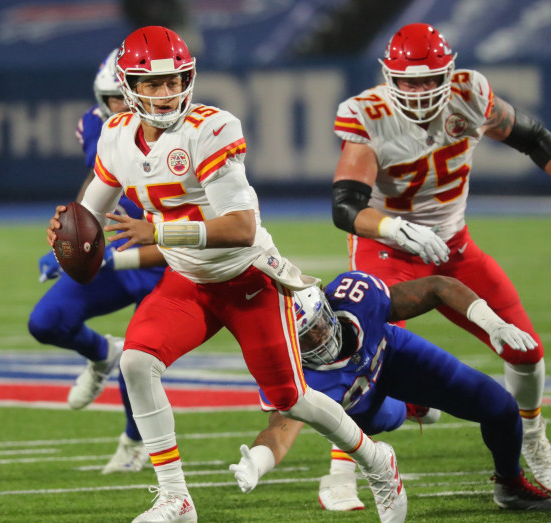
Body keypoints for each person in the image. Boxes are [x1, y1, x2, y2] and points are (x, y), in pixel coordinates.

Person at [47, 26, 407, 523]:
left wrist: (159, 231)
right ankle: (177, 498)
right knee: (135, 364)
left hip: (248, 281)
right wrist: (71, 237)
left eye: (174, 81)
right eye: (152, 84)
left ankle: (377, 460)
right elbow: (91, 217)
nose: (165, 92)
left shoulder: (210, 127)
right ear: (129, 87)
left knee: (292, 399)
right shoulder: (115, 136)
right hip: (189, 284)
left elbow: (241, 228)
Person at [330, 22, 551, 493]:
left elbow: (532, 135)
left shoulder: (470, 94)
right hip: (390, 246)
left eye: (428, 79)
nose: (419, 92)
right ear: (388, 77)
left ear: (450, 72)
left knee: (525, 347)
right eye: (408, 81)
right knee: (363, 349)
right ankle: (344, 470)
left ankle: (533, 434)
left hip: (455, 247)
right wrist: (398, 227)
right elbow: (346, 206)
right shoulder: (368, 113)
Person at [230, 271, 551, 512]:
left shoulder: (357, 299)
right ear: (287, 343)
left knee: (500, 406)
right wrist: (256, 463)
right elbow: (280, 431)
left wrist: (491, 322)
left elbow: (437, 287)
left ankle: (509, 487)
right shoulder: (291, 374)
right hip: (362, 409)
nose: (318, 338)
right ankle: (409, 407)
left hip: (395, 356)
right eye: (304, 338)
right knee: (388, 417)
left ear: (327, 308)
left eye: (317, 326)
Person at [29, 48, 165, 474]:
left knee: (138, 360)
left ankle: (134, 441)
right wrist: (74, 237)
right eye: (115, 98)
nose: (123, 107)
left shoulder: (184, 132)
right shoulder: (97, 125)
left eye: (131, 95)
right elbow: (98, 179)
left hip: (170, 256)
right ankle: (101, 353)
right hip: (121, 247)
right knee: (47, 321)